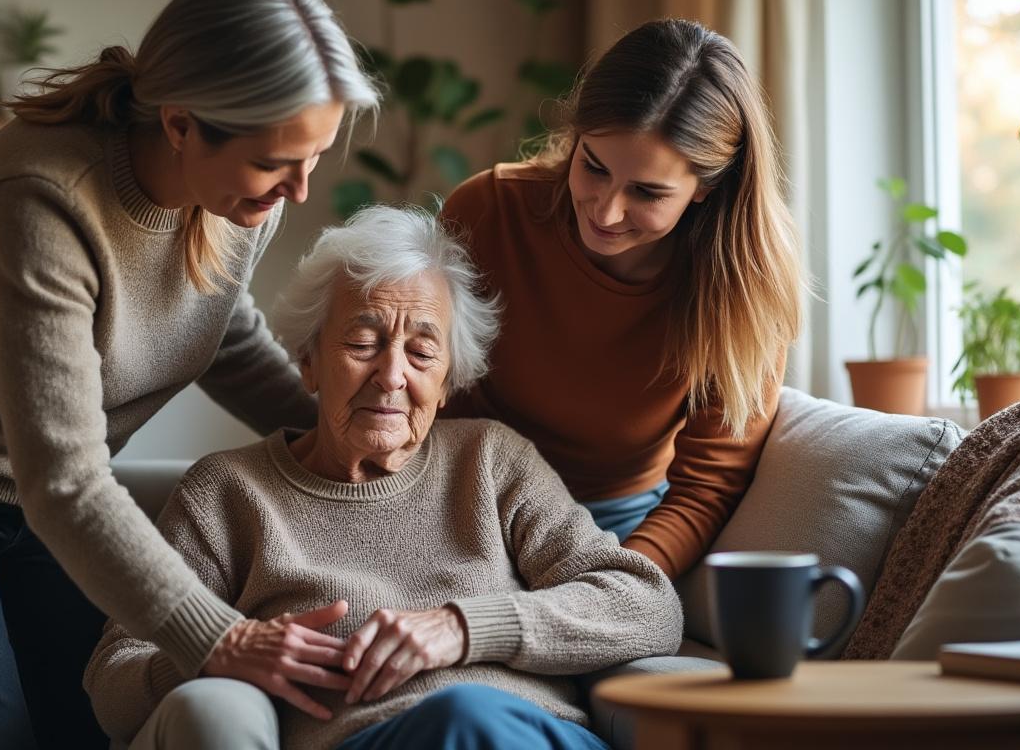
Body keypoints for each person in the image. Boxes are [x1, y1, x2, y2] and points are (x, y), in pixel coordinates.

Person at [0, 0, 378, 747]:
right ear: (181, 123)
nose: (299, 189)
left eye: (315, 155)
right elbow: (66, 481)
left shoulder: (241, 193)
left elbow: (218, 330)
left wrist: (351, 435)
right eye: (276, 163)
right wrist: (227, 639)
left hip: (49, 491)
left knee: (87, 728)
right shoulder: (43, 197)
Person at [82, 205, 684, 750]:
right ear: (309, 361)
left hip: (522, 733)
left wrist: (464, 628)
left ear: (448, 382)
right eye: (363, 342)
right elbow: (114, 680)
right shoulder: (230, 492)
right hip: (367, 742)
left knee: (466, 715)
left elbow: (649, 605)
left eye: (422, 354)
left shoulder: (492, 462)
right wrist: (220, 651)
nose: (392, 375)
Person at [439, 18, 805, 581]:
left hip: (618, 526)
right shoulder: (487, 212)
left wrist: (617, 583)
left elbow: (706, 488)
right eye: (594, 167)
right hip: (462, 502)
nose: (606, 211)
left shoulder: (745, 287)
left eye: (647, 192)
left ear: (707, 186)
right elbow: (422, 402)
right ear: (578, 136)